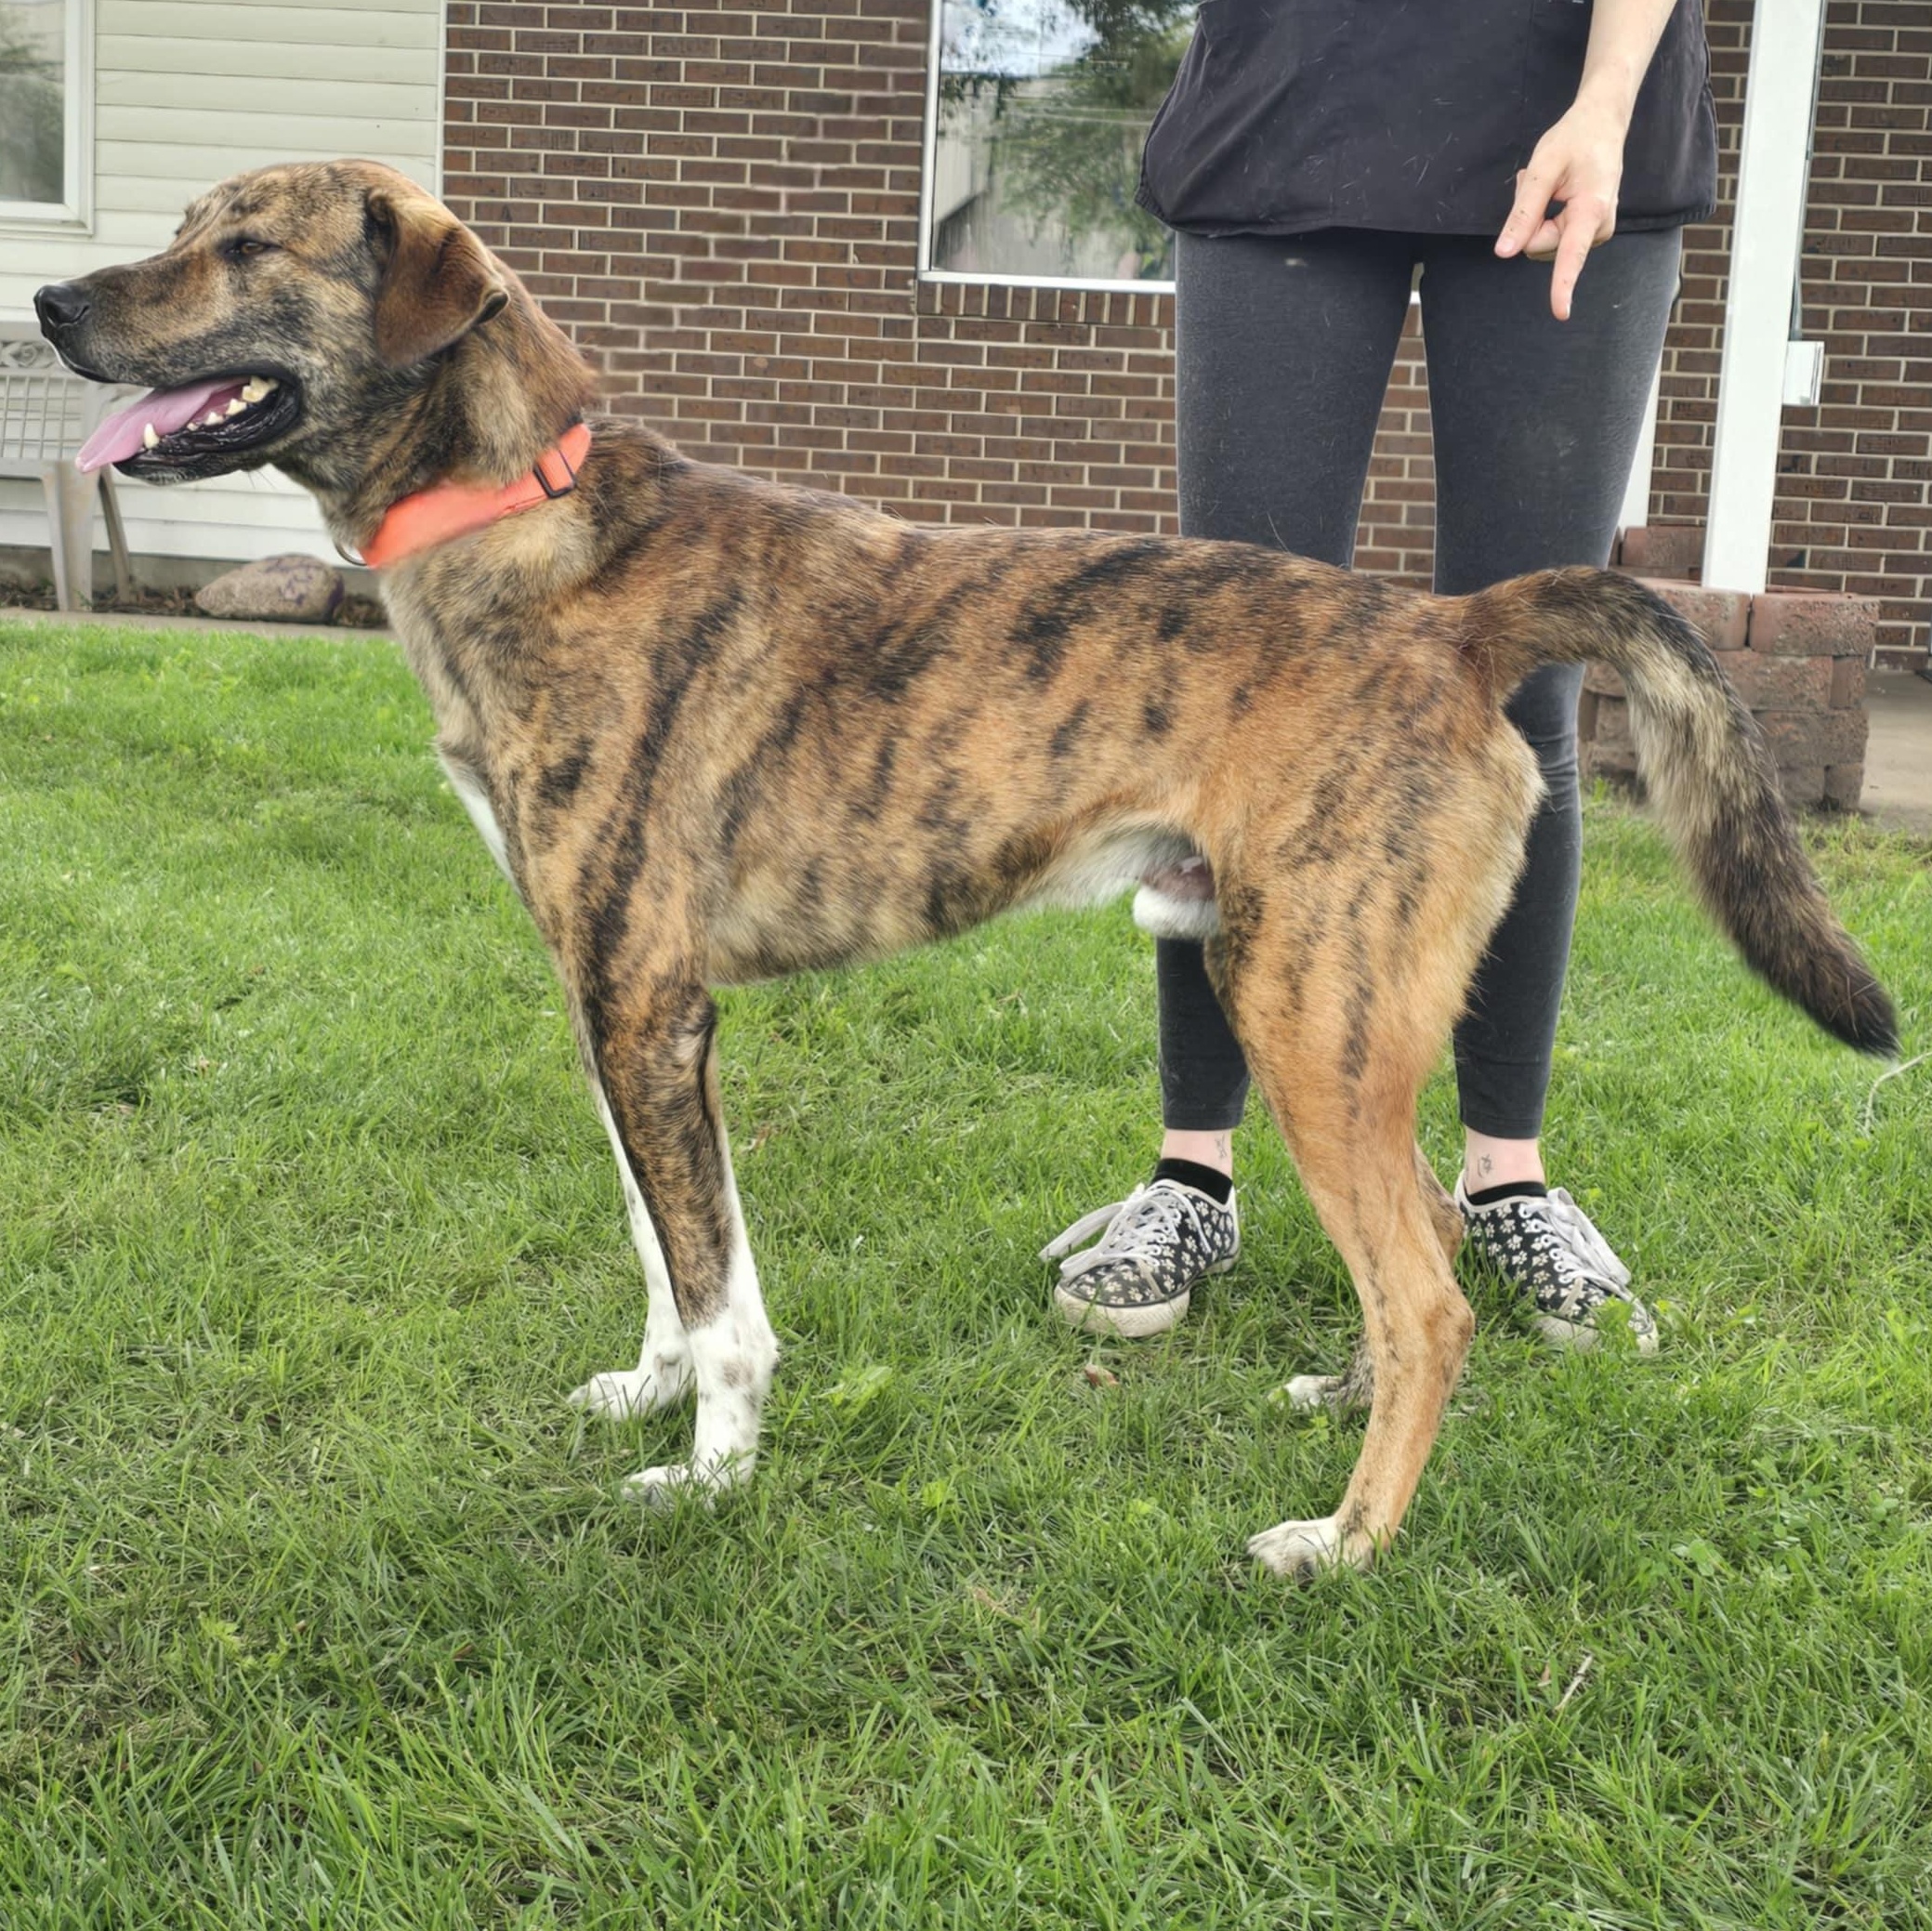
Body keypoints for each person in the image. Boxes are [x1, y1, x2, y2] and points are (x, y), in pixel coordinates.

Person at [1043, 0, 1717, 1348]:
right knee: (1228, 706)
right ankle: (1194, 1166)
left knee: (1519, 694)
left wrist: (1605, 103)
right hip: (1286, 113)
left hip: (1563, 110)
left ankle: (1504, 1175)